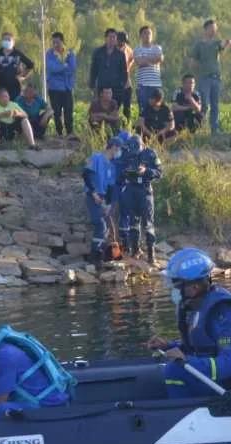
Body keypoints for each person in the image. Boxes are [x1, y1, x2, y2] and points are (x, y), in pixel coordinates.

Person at [146, 248, 231, 398]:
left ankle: (181, 414)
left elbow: (228, 364)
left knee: (174, 371)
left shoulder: (224, 316)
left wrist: (187, 361)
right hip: (214, 379)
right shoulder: (196, 308)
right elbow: (202, 348)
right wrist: (168, 346)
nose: (174, 291)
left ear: (194, 287)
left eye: (177, 287)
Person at [119, 135, 162, 263]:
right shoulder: (127, 153)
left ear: (142, 145)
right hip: (131, 189)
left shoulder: (150, 154)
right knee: (133, 222)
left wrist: (146, 171)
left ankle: (151, 254)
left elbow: (159, 172)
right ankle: (135, 250)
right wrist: (127, 172)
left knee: (148, 223)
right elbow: (121, 170)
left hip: (145, 190)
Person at [83, 137, 123, 267]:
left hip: (104, 198)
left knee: (108, 227)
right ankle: (95, 256)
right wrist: (93, 193)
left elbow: (111, 187)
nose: (119, 152)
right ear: (114, 147)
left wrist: (109, 204)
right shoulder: (96, 158)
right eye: (119, 148)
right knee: (100, 225)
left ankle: (107, 255)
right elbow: (86, 175)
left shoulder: (112, 165)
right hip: (93, 195)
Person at [191, 20, 231, 133]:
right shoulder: (199, 44)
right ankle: (200, 127)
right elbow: (193, 62)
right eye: (211, 28)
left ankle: (215, 128)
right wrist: (200, 70)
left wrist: (227, 43)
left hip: (216, 78)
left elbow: (223, 46)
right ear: (206, 29)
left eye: (215, 28)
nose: (214, 31)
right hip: (204, 78)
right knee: (204, 104)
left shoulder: (216, 43)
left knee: (215, 105)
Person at [45, 32, 76, 137]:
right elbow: (52, 68)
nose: (55, 45)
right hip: (54, 88)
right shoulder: (49, 54)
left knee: (68, 111)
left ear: (62, 42)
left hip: (67, 87)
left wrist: (61, 67)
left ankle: (70, 132)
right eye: (53, 42)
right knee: (56, 112)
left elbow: (72, 68)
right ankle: (59, 133)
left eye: (57, 42)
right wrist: (64, 66)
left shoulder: (70, 53)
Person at [89, 29, 128, 109]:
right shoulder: (98, 52)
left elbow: (124, 71)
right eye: (110, 37)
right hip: (101, 87)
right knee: (99, 109)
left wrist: (122, 84)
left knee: (114, 110)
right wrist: (92, 85)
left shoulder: (120, 54)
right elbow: (93, 70)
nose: (112, 39)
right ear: (105, 38)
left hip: (116, 88)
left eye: (114, 37)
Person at [0, 31, 34, 101]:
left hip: (15, 86)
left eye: (9, 40)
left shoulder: (17, 53)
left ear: (13, 42)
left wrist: (23, 76)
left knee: (15, 107)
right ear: (2, 41)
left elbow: (30, 65)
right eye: (5, 39)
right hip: (1, 86)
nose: (7, 41)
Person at [133, 26, 163, 114]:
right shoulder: (137, 49)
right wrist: (153, 59)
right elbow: (140, 62)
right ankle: (143, 127)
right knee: (143, 109)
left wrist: (146, 58)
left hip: (156, 84)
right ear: (140, 36)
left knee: (157, 108)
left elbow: (160, 59)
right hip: (143, 85)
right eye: (145, 33)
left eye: (149, 33)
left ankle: (156, 127)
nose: (147, 35)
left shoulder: (157, 48)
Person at [117, 31, 134, 122]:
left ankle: (126, 127)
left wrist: (126, 68)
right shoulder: (112, 50)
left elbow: (131, 60)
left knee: (127, 108)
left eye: (123, 41)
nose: (122, 43)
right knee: (114, 107)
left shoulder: (128, 49)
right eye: (120, 40)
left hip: (126, 83)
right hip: (115, 84)